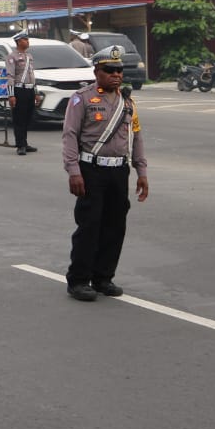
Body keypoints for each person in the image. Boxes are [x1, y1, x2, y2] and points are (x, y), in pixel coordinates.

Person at [61, 45, 149, 302]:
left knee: (115, 226)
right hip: (91, 170)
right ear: (97, 71)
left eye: (119, 70)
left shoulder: (127, 102)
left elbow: (136, 136)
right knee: (89, 225)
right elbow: (69, 136)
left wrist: (141, 170)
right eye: (109, 70)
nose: (116, 74)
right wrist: (74, 171)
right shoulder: (82, 98)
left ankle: (103, 277)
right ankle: (78, 280)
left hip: (118, 171)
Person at [4, 29, 38, 156]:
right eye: (25, 39)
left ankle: (25, 142)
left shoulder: (29, 56)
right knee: (19, 118)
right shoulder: (12, 57)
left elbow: (32, 75)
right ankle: (20, 145)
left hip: (29, 90)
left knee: (28, 117)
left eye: (27, 39)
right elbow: (10, 76)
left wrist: (36, 92)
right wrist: (11, 95)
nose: (27, 42)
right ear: (18, 41)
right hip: (19, 90)